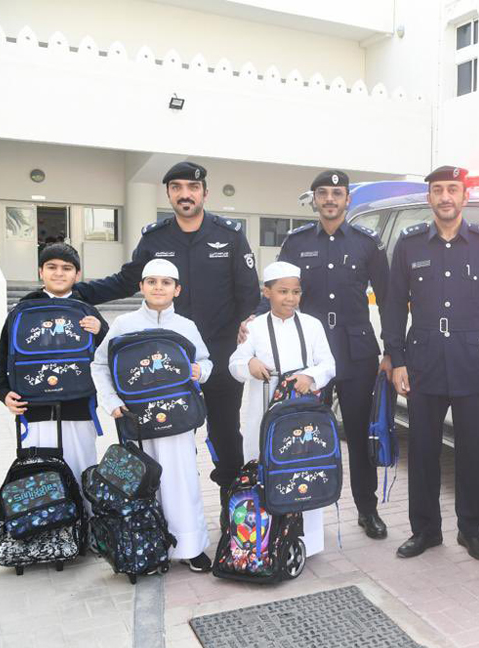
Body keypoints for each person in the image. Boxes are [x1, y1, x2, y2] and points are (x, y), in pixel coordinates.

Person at [75, 161, 260, 494]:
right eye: (177, 188)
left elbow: (250, 293)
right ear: (169, 193)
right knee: (169, 435)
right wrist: (77, 292)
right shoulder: (154, 238)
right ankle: (168, 509)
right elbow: (126, 280)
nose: (185, 194)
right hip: (164, 362)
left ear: (205, 192)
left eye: (192, 187)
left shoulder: (229, 236)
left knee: (225, 435)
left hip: (217, 355)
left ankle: (232, 512)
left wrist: (249, 323)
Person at [244, 169, 391, 539]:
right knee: (302, 430)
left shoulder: (366, 242)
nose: (330, 199)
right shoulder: (296, 242)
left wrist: (393, 351)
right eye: (323, 193)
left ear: (347, 200)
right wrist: (255, 321)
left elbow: (389, 299)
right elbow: (282, 290)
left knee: (358, 434)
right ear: (314, 199)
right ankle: (300, 507)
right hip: (307, 354)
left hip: (356, 353)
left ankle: (367, 509)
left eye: (336, 193)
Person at [383, 166, 479, 561]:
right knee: (423, 450)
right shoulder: (409, 245)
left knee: (473, 451)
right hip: (423, 360)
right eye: (438, 190)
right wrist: (397, 359)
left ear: (464, 196)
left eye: (452, 190)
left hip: (472, 359)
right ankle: (425, 531)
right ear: (429, 198)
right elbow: (394, 306)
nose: (445, 197)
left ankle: (471, 531)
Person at [91, 259, 213, 572]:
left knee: (181, 482)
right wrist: (110, 400)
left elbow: (205, 361)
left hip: (178, 420)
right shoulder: (122, 325)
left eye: (166, 282)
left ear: (177, 289)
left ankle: (189, 547)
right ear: (141, 286)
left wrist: (202, 371)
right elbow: (100, 364)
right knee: (146, 485)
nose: (158, 287)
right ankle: (151, 547)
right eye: (152, 281)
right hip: (137, 420)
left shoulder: (186, 326)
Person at [229, 261, 336, 556]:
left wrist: (309, 376)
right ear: (267, 292)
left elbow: (328, 364)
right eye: (282, 291)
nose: (290, 298)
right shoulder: (254, 327)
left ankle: (308, 541)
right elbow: (235, 363)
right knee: (263, 468)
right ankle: (265, 536)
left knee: (305, 469)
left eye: (295, 292)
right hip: (262, 414)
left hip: (302, 414)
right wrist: (248, 364)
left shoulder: (312, 325)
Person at [0, 243, 108, 489]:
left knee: (81, 476)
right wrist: (2, 393)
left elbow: (109, 357)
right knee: (42, 485)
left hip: (79, 410)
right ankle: (46, 529)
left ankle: (84, 527)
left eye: (66, 268)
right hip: (34, 411)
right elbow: (3, 356)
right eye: (51, 267)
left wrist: (101, 331)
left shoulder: (87, 311)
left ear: (77, 275)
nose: (58, 273)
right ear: (40, 272)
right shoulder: (22, 311)